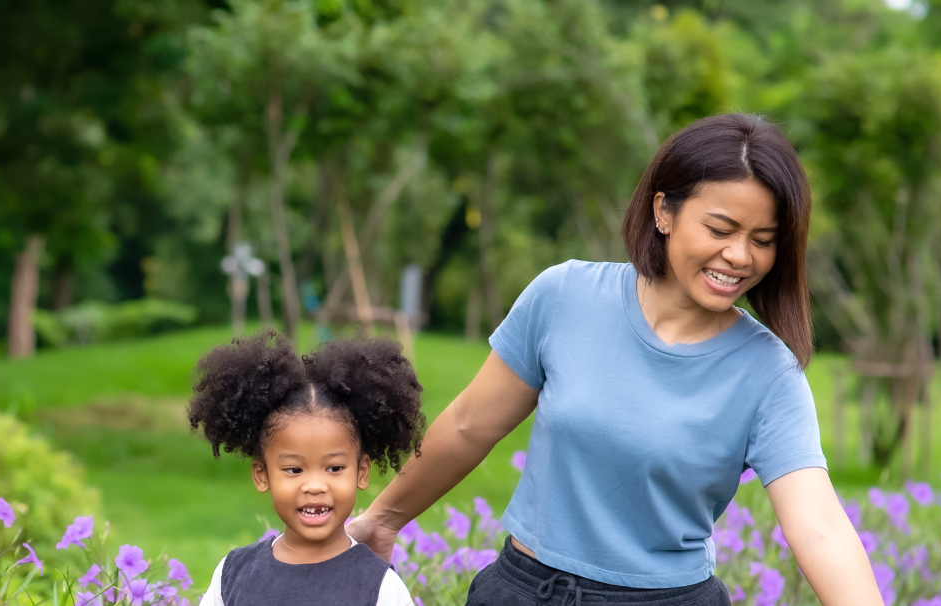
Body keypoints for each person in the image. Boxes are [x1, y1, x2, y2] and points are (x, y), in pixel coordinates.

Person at [345, 113, 882, 606]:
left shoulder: (769, 373)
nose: (740, 256)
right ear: (663, 211)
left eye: (762, 241)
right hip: (525, 590)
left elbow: (819, 527)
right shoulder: (565, 296)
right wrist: (382, 520)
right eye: (720, 230)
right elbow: (468, 426)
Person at [188, 332, 426, 606]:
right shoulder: (233, 574)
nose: (315, 486)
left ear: (362, 472)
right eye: (294, 470)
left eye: (334, 468)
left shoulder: (381, 587)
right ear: (262, 475)